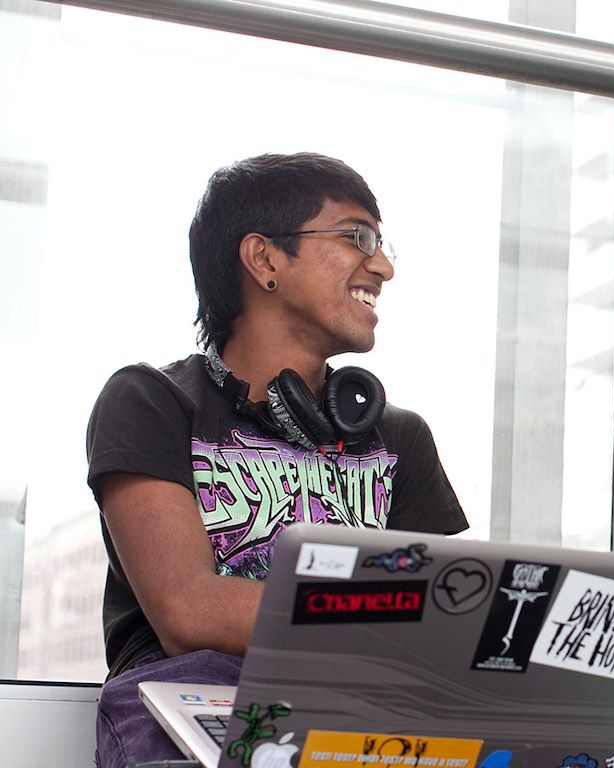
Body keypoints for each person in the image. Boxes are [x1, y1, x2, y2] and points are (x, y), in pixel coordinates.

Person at [86, 152, 468, 768]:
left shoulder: (400, 438)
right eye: (356, 237)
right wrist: (395, 620)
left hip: (365, 711)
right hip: (194, 699)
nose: (384, 265)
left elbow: (450, 618)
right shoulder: (150, 401)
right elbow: (188, 609)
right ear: (265, 258)